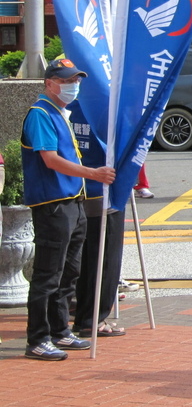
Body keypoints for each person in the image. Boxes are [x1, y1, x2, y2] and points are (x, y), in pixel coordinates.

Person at [21, 58, 116, 361]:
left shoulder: (59, 113)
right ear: (49, 83)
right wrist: (93, 174)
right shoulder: (40, 114)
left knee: (68, 274)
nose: (72, 86)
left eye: (75, 80)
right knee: (48, 274)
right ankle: (38, 338)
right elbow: (50, 159)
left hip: (71, 203)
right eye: (65, 80)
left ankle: (60, 331)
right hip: (52, 205)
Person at [67, 101, 127, 338]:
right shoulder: (107, 106)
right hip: (104, 190)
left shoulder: (67, 107)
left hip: (77, 191)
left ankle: (85, 317)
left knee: (86, 260)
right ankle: (93, 319)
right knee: (104, 261)